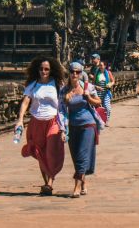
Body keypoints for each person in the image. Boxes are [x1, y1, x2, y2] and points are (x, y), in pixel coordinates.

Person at [15, 56, 67, 195]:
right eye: (41, 69)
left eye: (47, 69)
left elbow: (64, 102)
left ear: (51, 70)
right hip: (36, 122)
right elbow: (26, 102)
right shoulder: (33, 84)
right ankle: (46, 184)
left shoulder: (57, 83)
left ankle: (50, 181)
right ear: (37, 70)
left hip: (53, 121)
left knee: (51, 150)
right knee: (40, 152)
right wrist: (20, 119)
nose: (44, 71)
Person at [60, 61, 102, 198]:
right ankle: (83, 182)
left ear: (81, 73)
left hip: (88, 125)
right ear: (69, 73)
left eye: (78, 72)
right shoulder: (64, 91)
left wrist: (88, 97)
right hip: (72, 126)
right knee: (76, 157)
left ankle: (77, 186)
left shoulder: (87, 87)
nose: (75, 74)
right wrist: (66, 101)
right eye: (72, 71)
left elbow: (98, 102)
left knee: (82, 156)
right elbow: (60, 111)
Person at [90, 55, 114, 125]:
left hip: (106, 92)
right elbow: (93, 84)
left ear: (105, 66)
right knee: (98, 106)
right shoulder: (97, 73)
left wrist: (110, 84)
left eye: (102, 65)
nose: (100, 66)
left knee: (107, 107)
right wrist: (96, 87)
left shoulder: (108, 72)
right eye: (100, 65)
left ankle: (107, 119)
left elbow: (113, 81)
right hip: (98, 92)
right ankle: (99, 120)